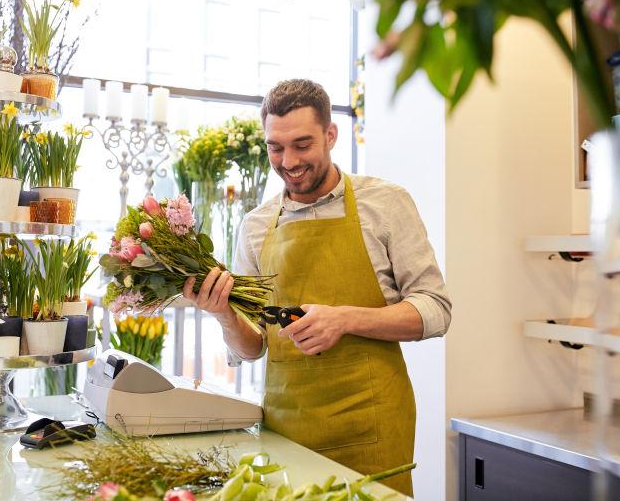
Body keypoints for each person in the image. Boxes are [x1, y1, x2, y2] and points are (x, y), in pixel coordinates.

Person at [183, 79, 451, 496]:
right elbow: (252, 347)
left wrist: (344, 319)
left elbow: (436, 309)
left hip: (372, 425)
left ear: (330, 135)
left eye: (302, 145)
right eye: (275, 147)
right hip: (287, 430)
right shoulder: (255, 226)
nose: (288, 161)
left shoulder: (385, 203)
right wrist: (224, 315)